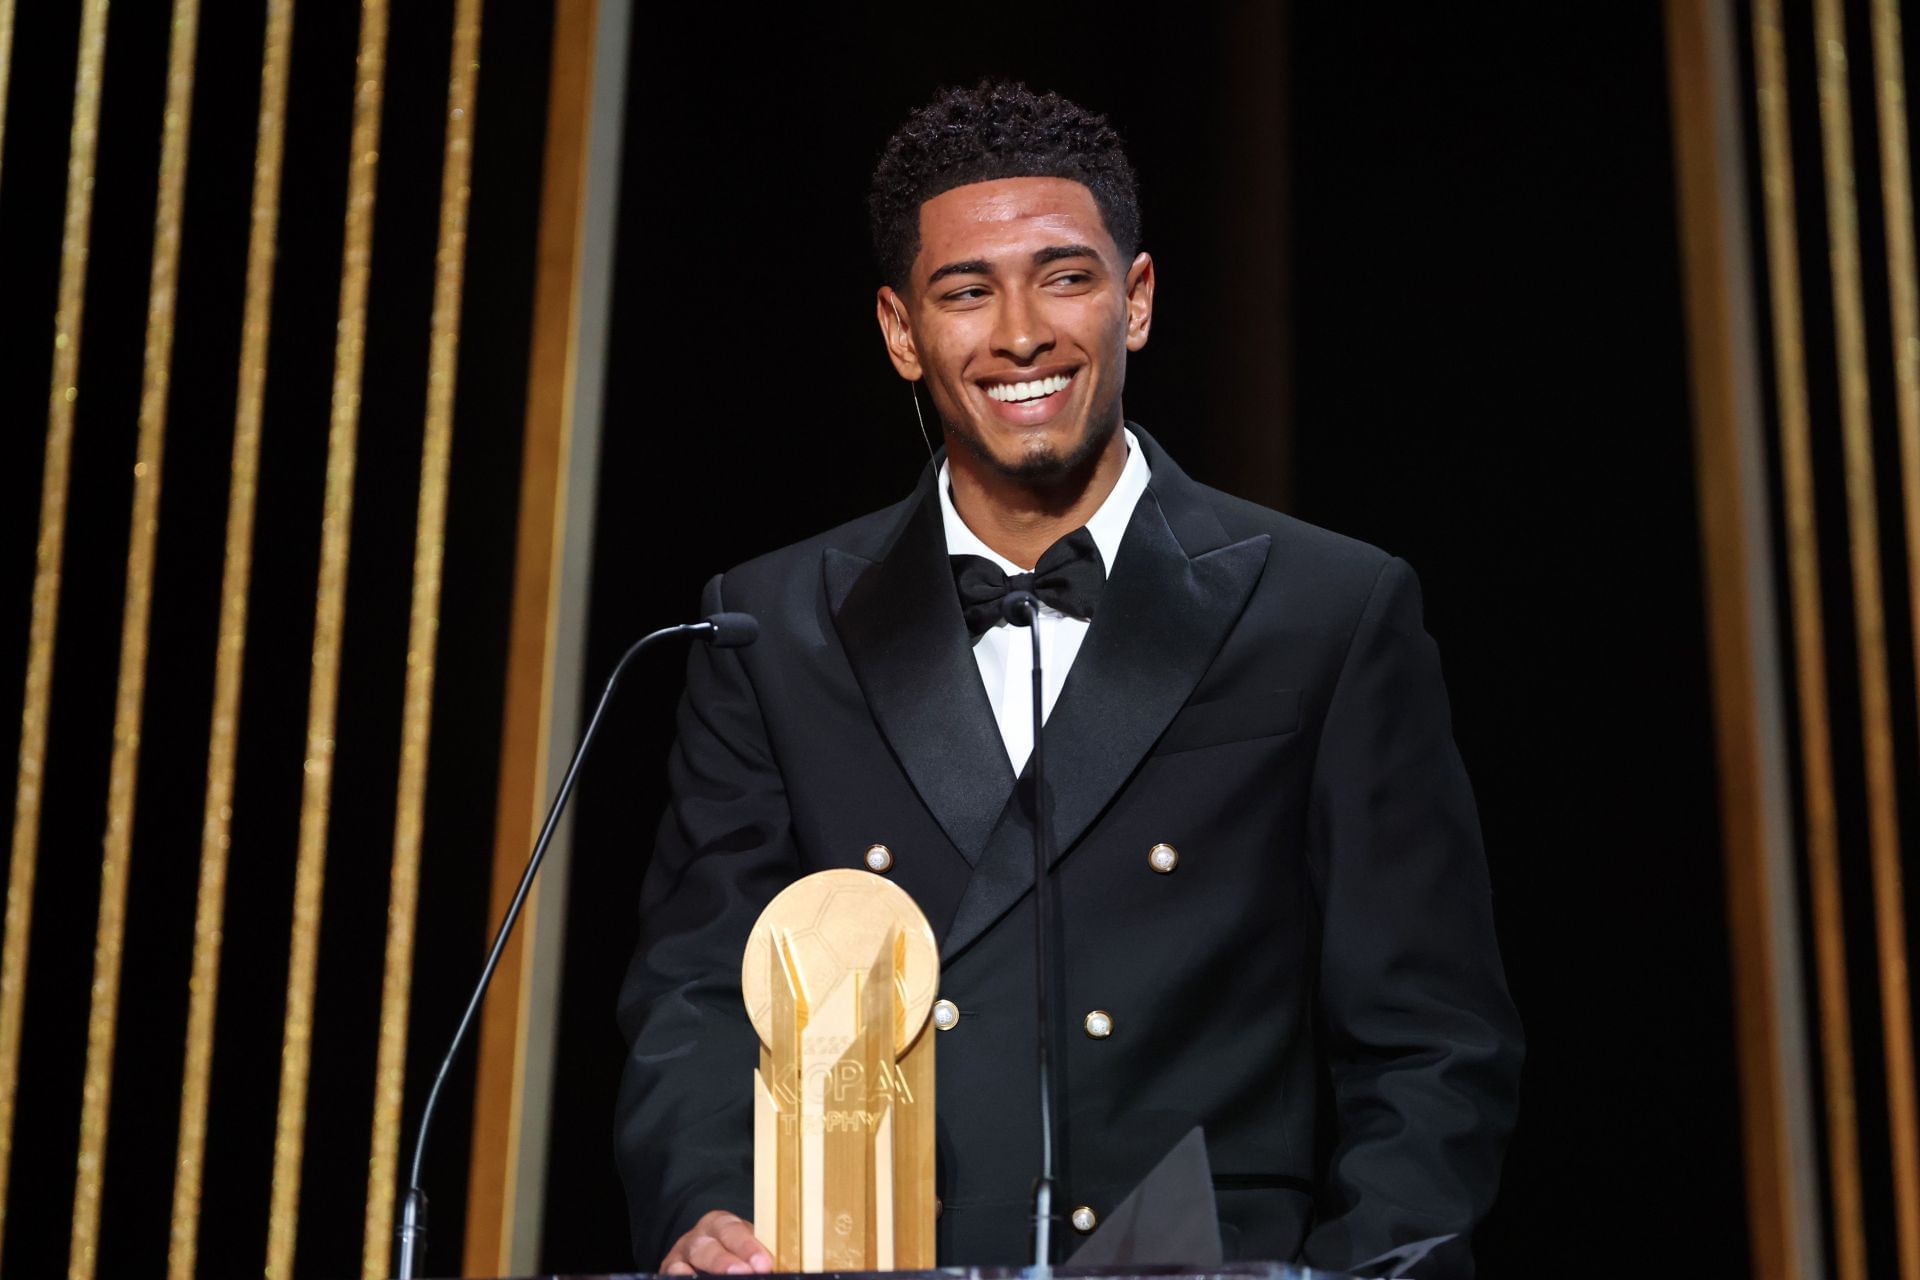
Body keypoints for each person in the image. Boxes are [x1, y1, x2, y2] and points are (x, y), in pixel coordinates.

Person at [615, 80, 1523, 1278]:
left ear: (1135, 299)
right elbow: (695, 995)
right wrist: (703, 1210)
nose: (1022, 333)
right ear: (900, 331)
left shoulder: (1330, 610)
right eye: (966, 291)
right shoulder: (768, 628)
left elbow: (1431, 1040)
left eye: (1066, 276)